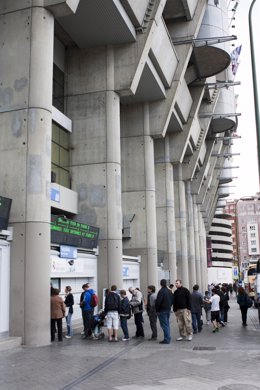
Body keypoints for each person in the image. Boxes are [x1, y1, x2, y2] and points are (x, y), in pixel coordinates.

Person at [155, 279, 173, 344]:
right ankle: (167, 338)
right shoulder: (169, 291)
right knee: (167, 324)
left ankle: (167, 339)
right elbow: (172, 300)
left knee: (164, 325)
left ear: (161, 284)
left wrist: (157, 310)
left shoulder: (161, 291)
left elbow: (158, 302)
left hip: (162, 311)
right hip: (168, 310)